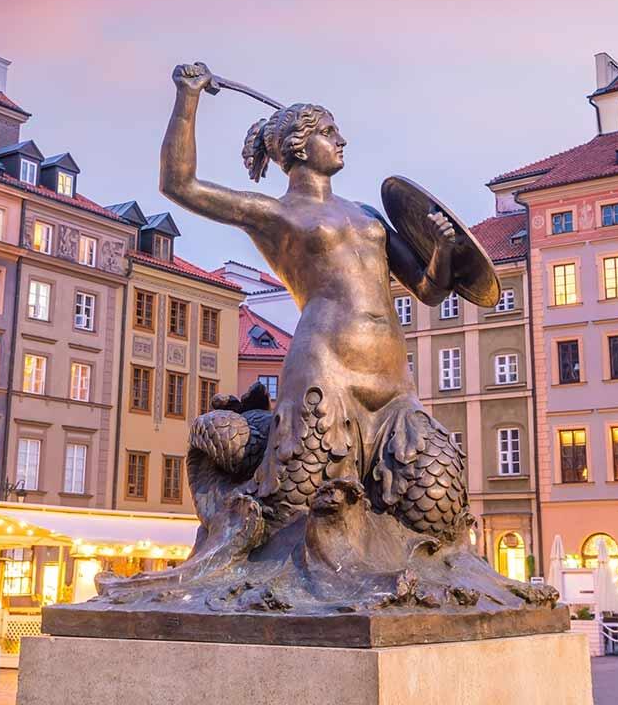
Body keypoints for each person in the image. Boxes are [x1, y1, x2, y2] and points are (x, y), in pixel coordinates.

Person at [160, 62, 466, 539]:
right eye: (328, 131)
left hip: (392, 380)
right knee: (300, 511)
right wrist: (188, 97)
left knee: (437, 494)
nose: (342, 140)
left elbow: (429, 290)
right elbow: (180, 184)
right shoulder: (274, 213)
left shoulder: (367, 214)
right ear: (298, 146)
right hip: (326, 371)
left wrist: (444, 249)